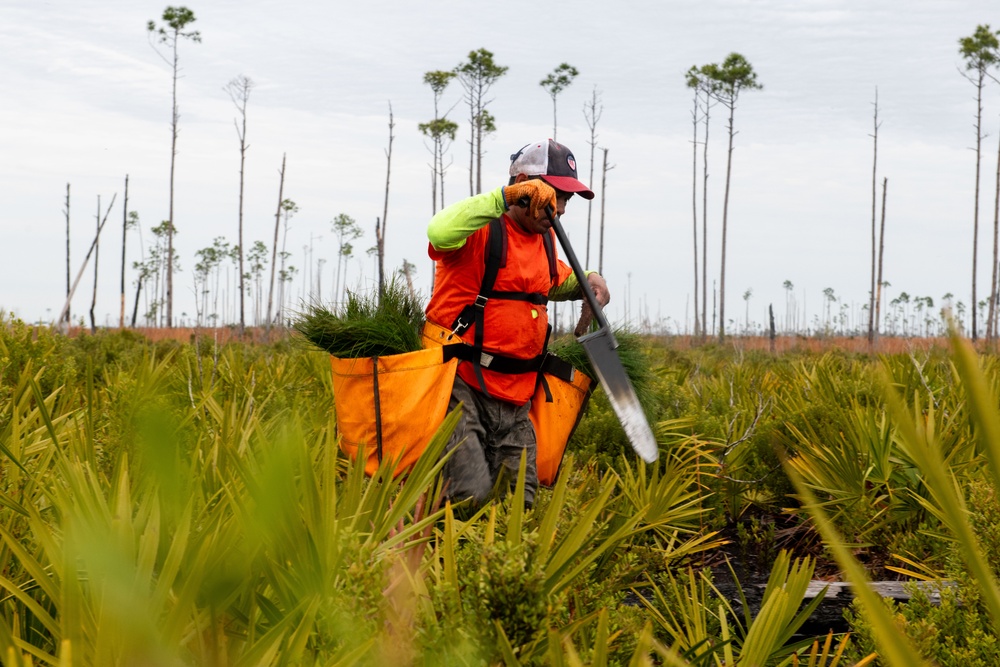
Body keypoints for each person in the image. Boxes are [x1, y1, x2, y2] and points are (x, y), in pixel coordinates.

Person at [422, 139, 610, 511]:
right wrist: (504, 197)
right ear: (524, 184)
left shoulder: (544, 240)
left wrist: (590, 280)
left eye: (567, 200)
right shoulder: (481, 229)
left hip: (517, 398)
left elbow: (555, 280)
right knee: (469, 495)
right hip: (460, 387)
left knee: (517, 507)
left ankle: (500, 570)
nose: (560, 208)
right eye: (554, 195)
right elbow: (438, 232)